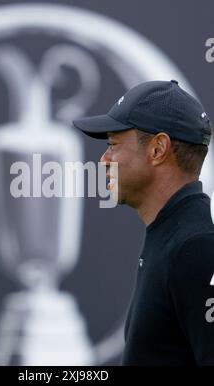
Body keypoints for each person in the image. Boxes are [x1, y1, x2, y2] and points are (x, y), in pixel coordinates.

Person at [73, 80, 214, 366]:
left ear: (157, 149)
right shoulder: (174, 236)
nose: (103, 160)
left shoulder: (196, 248)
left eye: (112, 144)